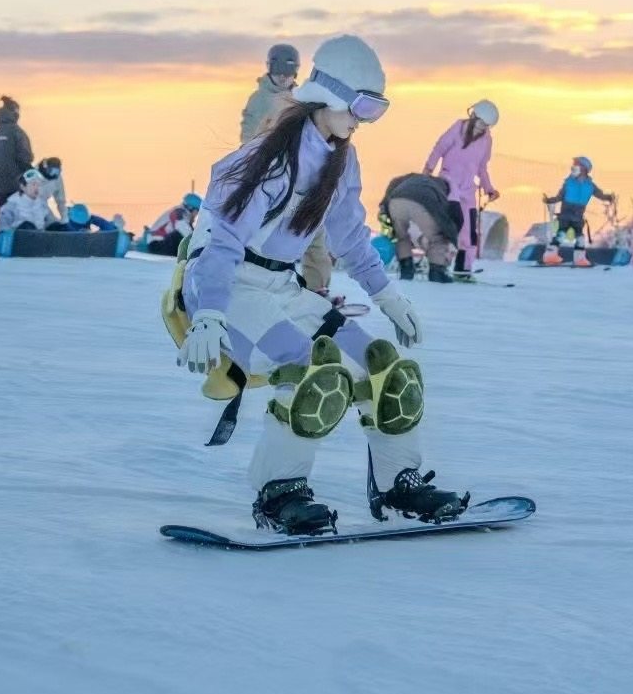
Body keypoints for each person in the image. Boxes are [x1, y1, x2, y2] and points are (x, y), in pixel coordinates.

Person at [178, 34, 469, 536]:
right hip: (227, 287)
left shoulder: (341, 158)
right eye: (363, 105)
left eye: (377, 108)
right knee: (310, 368)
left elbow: (351, 238)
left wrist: (388, 296)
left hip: (280, 288)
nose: (365, 119)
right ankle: (280, 493)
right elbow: (221, 241)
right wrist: (206, 312)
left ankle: (400, 483)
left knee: (385, 366)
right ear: (330, 94)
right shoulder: (269, 158)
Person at [240, 43, 334, 298]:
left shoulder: (304, 97)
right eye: (280, 73)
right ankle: (255, 281)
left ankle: (318, 288)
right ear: (270, 70)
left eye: (289, 74)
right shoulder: (261, 99)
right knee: (268, 231)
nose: (284, 79)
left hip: (304, 174)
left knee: (313, 228)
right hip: (273, 177)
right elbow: (249, 136)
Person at [423, 99, 501, 277]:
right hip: (449, 182)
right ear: (474, 116)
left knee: (470, 231)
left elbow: (482, 168)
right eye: (481, 123)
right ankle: (438, 264)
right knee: (453, 223)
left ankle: (463, 268)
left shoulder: (487, 140)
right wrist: (428, 169)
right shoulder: (458, 128)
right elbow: (439, 148)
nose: (483, 127)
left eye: (487, 125)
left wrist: (489, 188)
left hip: (468, 189)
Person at [380, 173, 461, 284]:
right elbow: (444, 221)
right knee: (437, 239)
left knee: (402, 238)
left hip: (395, 201)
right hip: (422, 203)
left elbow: (393, 184)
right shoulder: (439, 190)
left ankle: (406, 270)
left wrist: (384, 208)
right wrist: (451, 238)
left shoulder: (411, 178)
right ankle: (436, 272)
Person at [541, 156, 615, 267]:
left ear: (584, 169)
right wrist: (549, 200)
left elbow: (600, 195)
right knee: (561, 233)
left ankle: (579, 259)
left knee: (579, 237)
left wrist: (608, 197)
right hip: (566, 213)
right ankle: (550, 255)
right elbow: (559, 196)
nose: (573, 168)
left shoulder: (590, 185)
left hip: (578, 215)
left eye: (577, 165)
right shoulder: (568, 182)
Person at [0, 96, 34, 213]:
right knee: (19, 219)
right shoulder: (18, 133)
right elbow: (25, 158)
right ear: (14, 112)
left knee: (3, 218)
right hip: (15, 186)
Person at [36, 157, 68, 221]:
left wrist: (64, 217)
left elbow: (61, 200)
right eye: (51, 171)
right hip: (27, 208)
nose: (53, 174)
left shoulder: (57, 178)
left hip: (43, 207)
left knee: (54, 224)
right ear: (46, 167)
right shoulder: (33, 174)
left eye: (56, 171)